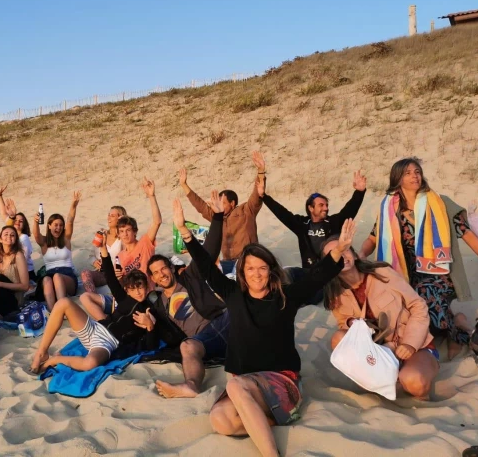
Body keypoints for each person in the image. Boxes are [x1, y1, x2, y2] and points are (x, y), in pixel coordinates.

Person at [178, 194, 353, 457]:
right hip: (247, 384)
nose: (256, 274)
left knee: (236, 387)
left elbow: (317, 278)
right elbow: (206, 268)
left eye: (262, 268)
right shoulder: (233, 294)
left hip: (282, 380)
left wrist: (338, 250)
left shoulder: (286, 296)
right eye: (250, 269)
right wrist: (185, 233)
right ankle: (270, 419)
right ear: (242, 273)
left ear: (270, 271)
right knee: (220, 420)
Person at [359, 158, 478, 358]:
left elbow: (467, 233)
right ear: (397, 178)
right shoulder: (389, 209)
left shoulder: (439, 203)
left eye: (417, 171)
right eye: (408, 173)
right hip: (403, 272)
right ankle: (452, 320)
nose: (414, 176)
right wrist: (360, 255)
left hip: (439, 272)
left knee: (423, 294)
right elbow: (374, 237)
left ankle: (456, 335)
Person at [322, 237, 438, 398]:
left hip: (410, 345)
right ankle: (377, 380)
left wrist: (410, 344)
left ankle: (417, 389)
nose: (341, 255)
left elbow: (418, 306)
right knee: (338, 338)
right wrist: (351, 323)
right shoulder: (335, 293)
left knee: (414, 382)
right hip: (377, 351)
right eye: (334, 253)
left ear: (355, 255)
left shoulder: (382, 273)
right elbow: (343, 323)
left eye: (345, 249)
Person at [29, 235, 162, 374]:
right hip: (95, 328)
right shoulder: (123, 298)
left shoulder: (149, 311)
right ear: (128, 290)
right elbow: (110, 278)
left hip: (107, 343)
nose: (138, 292)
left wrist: (150, 326)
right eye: (133, 289)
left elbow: (151, 345)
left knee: (90, 363)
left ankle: (54, 360)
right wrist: (104, 250)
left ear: (147, 288)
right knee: (63, 303)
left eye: (140, 288)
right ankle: (41, 352)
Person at [148, 205, 230, 399]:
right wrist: (149, 327)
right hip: (204, 341)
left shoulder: (190, 276)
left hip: (223, 321)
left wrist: (217, 218)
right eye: (156, 273)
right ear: (153, 279)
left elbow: (208, 252)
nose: (162, 274)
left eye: (164, 269)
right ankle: (191, 386)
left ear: (171, 268)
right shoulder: (159, 307)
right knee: (187, 346)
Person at [261, 160, 367, 268]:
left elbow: (350, 210)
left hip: (332, 270)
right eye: (321, 205)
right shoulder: (302, 224)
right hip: (310, 272)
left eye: (326, 205)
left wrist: (359, 192)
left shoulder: (334, 222)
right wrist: (264, 197)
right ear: (311, 208)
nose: (326, 208)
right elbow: (282, 213)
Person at [179, 152, 267, 274]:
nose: (219, 205)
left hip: (247, 261)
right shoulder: (217, 217)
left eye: (223, 202)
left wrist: (261, 172)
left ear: (232, 203)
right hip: (227, 262)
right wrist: (184, 185)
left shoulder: (246, 211)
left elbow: (257, 194)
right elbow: (200, 205)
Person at [32, 191, 82, 311]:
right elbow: (36, 234)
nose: (58, 228)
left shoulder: (66, 239)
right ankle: (52, 311)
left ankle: (62, 307)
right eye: (55, 225)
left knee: (57, 277)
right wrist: (35, 221)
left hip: (67, 278)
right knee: (46, 279)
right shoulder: (44, 243)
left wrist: (73, 205)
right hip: (50, 276)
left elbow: (70, 221)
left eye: (60, 225)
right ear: (49, 226)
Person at [0, 225, 30, 319]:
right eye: (6, 234)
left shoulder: (18, 256)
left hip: (14, 299)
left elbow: (25, 286)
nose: (9, 236)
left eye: (12, 235)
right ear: (0, 239)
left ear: (15, 239)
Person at [80, 205, 127, 294]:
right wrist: (94, 262)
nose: (109, 218)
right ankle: (93, 297)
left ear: (120, 218)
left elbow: (127, 253)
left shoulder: (123, 237)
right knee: (85, 273)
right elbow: (91, 256)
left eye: (112, 216)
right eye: (108, 215)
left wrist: (123, 225)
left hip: (117, 274)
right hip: (102, 273)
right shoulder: (101, 234)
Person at [0, 190, 37, 281]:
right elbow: (4, 214)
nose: (17, 222)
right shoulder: (10, 236)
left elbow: (24, 259)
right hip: (12, 272)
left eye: (21, 221)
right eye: (15, 220)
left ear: (24, 225)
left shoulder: (24, 238)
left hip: (26, 274)